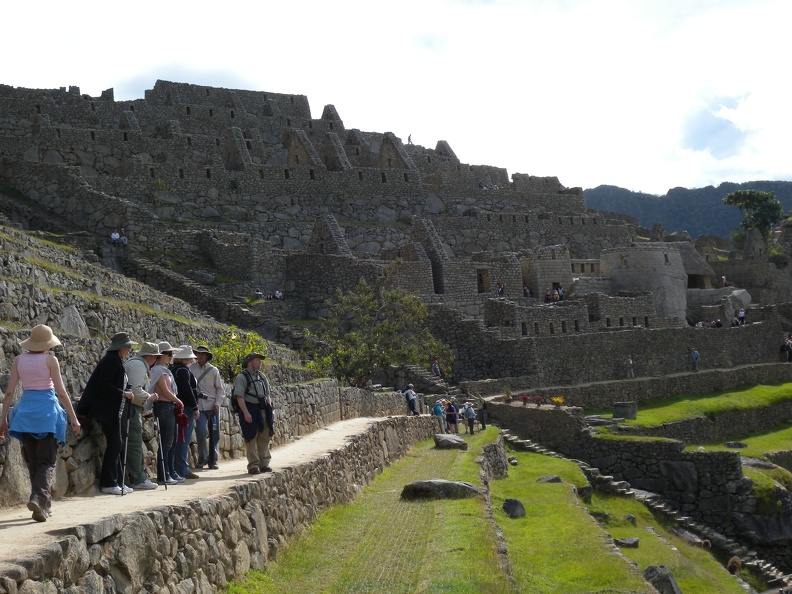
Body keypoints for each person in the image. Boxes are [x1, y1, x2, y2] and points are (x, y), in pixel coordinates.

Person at [0, 325, 81, 522]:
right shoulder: (50, 360)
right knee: (47, 461)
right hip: (47, 415)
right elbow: (61, 392)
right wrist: (73, 418)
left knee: (34, 461)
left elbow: (9, 392)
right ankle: (38, 498)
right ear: (48, 344)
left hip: (25, 414)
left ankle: (43, 505)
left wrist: (2, 419)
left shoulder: (19, 360)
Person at [76, 332, 137, 495]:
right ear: (121, 347)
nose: (130, 349)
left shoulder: (115, 360)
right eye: (128, 346)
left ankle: (116, 481)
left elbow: (115, 383)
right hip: (107, 410)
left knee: (116, 444)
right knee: (115, 444)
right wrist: (122, 393)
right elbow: (104, 383)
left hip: (111, 409)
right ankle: (109, 482)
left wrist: (125, 391)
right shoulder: (111, 361)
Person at [123, 342, 161, 490]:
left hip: (133, 407)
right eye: (156, 357)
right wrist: (149, 398)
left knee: (132, 443)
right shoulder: (139, 366)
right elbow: (135, 390)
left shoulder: (136, 364)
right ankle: (138, 478)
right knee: (133, 443)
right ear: (151, 356)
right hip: (130, 409)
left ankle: (135, 477)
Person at [233, 352, 275, 475]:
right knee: (251, 437)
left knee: (264, 436)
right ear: (250, 362)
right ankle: (253, 465)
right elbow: (239, 396)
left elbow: (267, 395)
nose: (260, 363)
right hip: (250, 409)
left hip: (263, 409)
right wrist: (246, 412)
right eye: (258, 360)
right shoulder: (242, 377)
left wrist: (270, 410)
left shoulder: (262, 377)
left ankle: (264, 464)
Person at [149, 341, 181, 484]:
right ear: (161, 355)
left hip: (169, 406)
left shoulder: (165, 370)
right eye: (169, 354)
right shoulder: (157, 371)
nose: (171, 356)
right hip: (164, 406)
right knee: (166, 442)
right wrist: (178, 401)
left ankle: (170, 471)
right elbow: (165, 391)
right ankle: (164, 474)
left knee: (172, 441)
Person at [190, 346, 225, 470]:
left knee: (215, 434)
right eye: (198, 354)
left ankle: (213, 460)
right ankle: (202, 458)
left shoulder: (213, 370)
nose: (200, 356)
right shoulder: (191, 369)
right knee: (201, 431)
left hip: (212, 407)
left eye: (203, 354)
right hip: (199, 406)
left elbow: (220, 390)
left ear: (207, 356)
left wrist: (217, 404)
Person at [170, 345, 200, 480]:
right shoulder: (183, 371)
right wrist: (195, 407)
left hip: (175, 406)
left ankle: (174, 468)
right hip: (185, 408)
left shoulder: (172, 369)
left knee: (175, 439)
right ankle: (182, 469)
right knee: (183, 438)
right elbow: (188, 390)